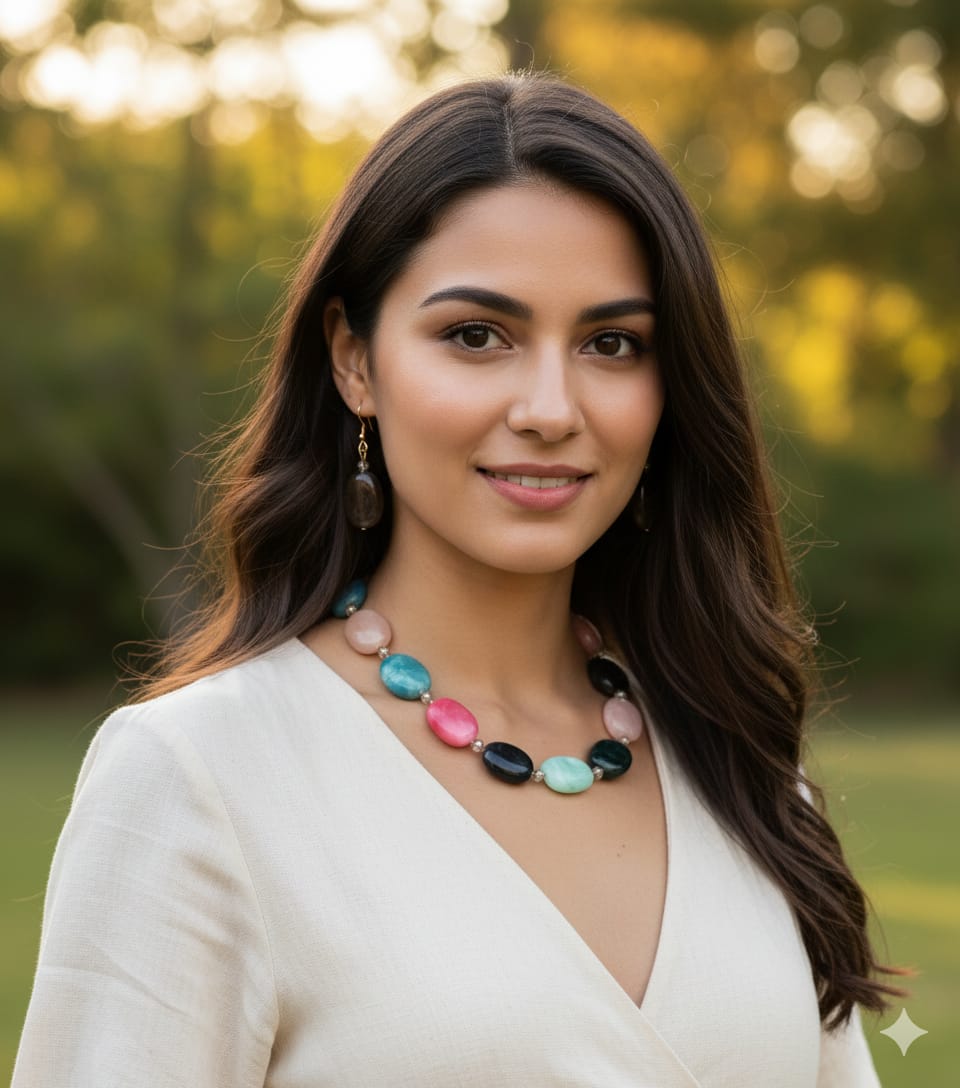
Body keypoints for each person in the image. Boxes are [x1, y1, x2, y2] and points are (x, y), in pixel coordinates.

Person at [14, 73, 902, 1086]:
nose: (551, 406)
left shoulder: (738, 759)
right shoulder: (198, 775)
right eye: (477, 335)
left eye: (613, 343)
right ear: (354, 359)